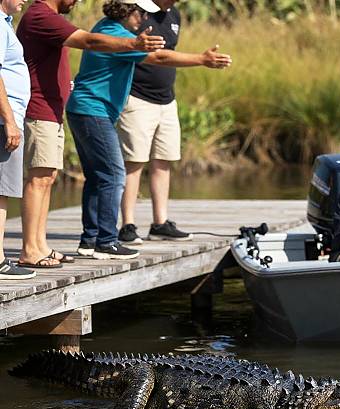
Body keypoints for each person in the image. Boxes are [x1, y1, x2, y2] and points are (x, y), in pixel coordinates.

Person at [65, 0, 231, 260]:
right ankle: (106, 241)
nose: (144, 18)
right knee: (114, 173)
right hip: (92, 110)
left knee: (98, 177)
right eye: (140, 12)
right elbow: (160, 58)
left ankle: (90, 240)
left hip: (85, 110)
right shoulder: (118, 35)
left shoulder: (107, 27)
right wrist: (201, 59)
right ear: (126, 10)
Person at [16, 0, 165, 269]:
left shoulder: (49, 16)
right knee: (39, 179)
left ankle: (40, 245)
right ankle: (30, 250)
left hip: (52, 109)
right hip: (40, 106)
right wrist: (133, 44)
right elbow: (88, 41)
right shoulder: (40, 15)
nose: (77, 1)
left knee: (47, 177)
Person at [117, 0, 196, 244]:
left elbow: (170, 53)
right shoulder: (137, 12)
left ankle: (160, 223)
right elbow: (134, 53)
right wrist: (201, 59)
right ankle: (127, 225)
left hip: (167, 100)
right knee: (134, 162)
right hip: (137, 97)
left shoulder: (175, 15)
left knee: (164, 160)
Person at [0, 0, 35, 279]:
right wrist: (10, 120)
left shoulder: (6, 24)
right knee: (1, 190)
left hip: (8, 116)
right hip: (3, 119)